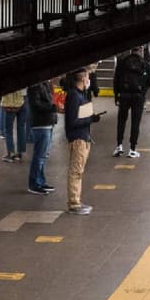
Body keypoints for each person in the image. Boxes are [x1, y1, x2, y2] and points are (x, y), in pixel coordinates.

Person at [64, 69, 102, 215]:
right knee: (76, 171)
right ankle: (73, 203)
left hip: (83, 136)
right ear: (82, 78)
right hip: (78, 138)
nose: (89, 79)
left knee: (79, 171)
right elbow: (73, 121)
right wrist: (90, 119)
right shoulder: (74, 96)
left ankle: (76, 200)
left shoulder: (79, 94)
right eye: (87, 76)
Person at [112, 46, 150, 158]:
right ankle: (132, 149)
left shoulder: (122, 62)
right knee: (135, 122)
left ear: (131, 50)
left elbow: (116, 79)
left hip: (124, 95)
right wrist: (142, 94)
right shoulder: (145, 64)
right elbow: (149, 81)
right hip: (138, 97)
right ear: (141, 50)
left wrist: (117, 95)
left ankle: (119, 145)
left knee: (121, 120)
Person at [25, 79, 59, 196]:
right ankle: (34, 184)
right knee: (39, 156)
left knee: (43, 156)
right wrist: (53, 107)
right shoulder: (35, 85)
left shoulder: (44, 83)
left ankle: (41, 181)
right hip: (41, 124)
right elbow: (36, 104)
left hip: (48, 123)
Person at [0, 90, 29, 163]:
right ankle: (19, 153)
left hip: (11, 100)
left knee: (8, 129)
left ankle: (10, 153)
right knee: (21, 127)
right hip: (24, 98)